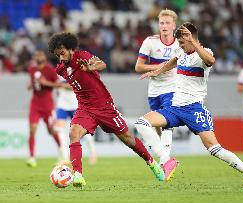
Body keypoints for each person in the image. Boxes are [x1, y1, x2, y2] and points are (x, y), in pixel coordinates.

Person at [135, 22, 243, 190]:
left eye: (182, 42)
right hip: (175, 108)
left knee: (214, 149)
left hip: (194, 109)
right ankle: (166, 161)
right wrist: (158, 71)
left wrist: (194, 43)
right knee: (141, 123)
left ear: (192, 39)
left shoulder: (205, 53)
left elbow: (211, 61)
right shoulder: (181, 52)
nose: (180, 45)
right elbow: (174, 60)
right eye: (179, 42)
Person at [48, 32, 165, 188]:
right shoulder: (61, 69)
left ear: (70, 48)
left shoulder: (82, 55)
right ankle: (78, 175)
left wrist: (90, 67)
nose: (60, 58)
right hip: (85, 108)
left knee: (128, 139)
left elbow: (102, 64)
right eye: (57, 55)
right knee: (73, 133)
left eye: (62, 53)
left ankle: (152, 163)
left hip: (104, 106)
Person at [135, 9, 179, 165]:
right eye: (162, 23)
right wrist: (157, 67)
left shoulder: (180, 43)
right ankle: (164, 156)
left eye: (168, 23)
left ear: (174, 25)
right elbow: (138, 67)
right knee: (157, 126)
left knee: (168, 121)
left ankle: (165, 161)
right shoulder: (150, 42)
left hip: (173, 88)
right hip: (154, 91)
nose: (164, 26)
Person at [26, 50, 62, 168]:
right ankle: (31, 157)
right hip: (35, 105)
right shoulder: (32, 70)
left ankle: (61, 151)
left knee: (51, 130)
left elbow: (59, 84)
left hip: (47, 105)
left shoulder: (50, 70)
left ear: (44, 58)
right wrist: (30, 85)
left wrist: (45, 83)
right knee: (32, 129)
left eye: (40, 55)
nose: (38, 57)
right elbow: (30, 85)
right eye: (36, 55)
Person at [54, 79, 97, 165]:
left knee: (84, 130)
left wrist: (61, 86)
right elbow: (56, 86)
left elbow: (74, 87)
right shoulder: (58, 72)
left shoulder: (73, 72)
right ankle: (65, 157)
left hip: (75, 105)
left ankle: (93, 153)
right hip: (62, 106)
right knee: (59, 129)